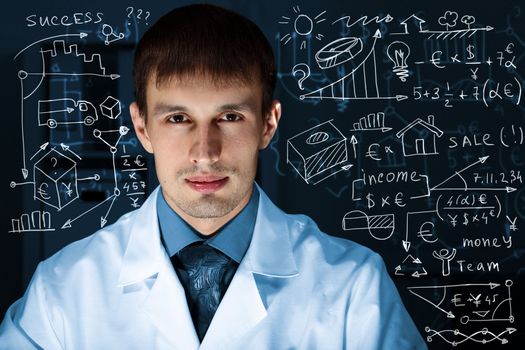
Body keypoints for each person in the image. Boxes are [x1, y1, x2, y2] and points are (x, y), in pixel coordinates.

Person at [0, 4, 426, 349]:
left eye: (230, 116)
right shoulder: (63, 289)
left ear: (268, 124)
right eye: (179, 118)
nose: (205, 152)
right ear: (143, 127)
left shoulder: (354, 286)